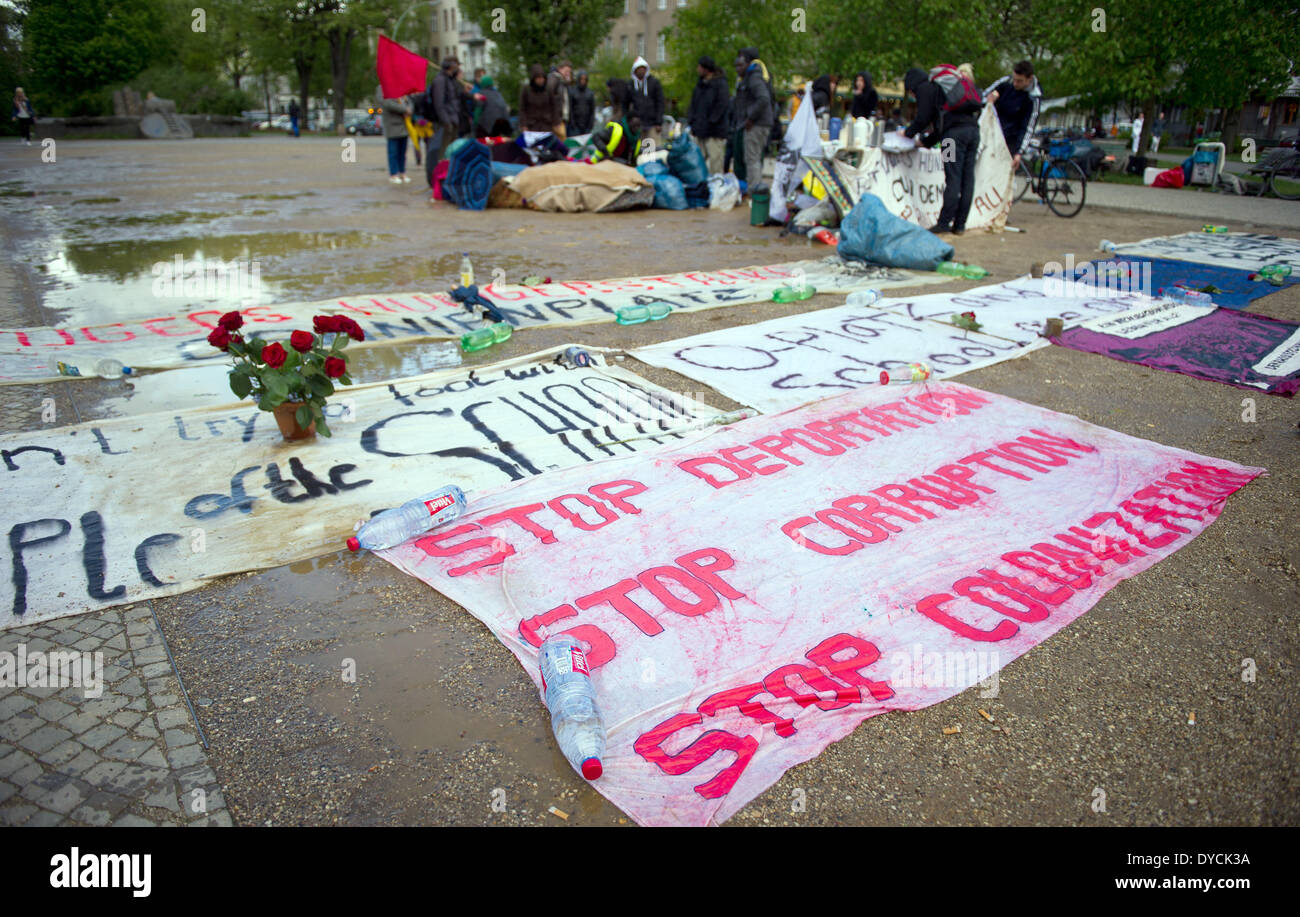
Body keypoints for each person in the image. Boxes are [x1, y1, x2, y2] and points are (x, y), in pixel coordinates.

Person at [902, 66, 981, 234]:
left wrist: (907, 134)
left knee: (952, 177)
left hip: (952, 139)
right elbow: (940, 125)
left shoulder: (925, 89)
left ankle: (944, 223)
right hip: (973, 133)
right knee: (968, 178)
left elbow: (924, 118)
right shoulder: (943, 91)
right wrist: (927, 142)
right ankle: (960, 224)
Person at [984, 60, 1042, 171]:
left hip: (1011, 141)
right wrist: (989, 100)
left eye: (1020, 81)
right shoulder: (1006, 81)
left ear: (1029, 79)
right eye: (1014, 79)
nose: (1015, 83)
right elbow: (983, 96)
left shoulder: (1033, 98)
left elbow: (1028, 127)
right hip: (992, 134)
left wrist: (1019, 152)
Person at [735, 48, 774, 191]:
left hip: (756, 124)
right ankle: (755, 189)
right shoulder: (757, 75)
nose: (737, 68)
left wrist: (750, 118)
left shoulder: (754, 77)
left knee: (752, 159)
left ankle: (755, 191)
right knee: (754, 158)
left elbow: (763, 99)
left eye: (740, 64)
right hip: (761, 123)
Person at [423, 57, 463, 186]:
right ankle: (436, 180)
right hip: (444, 123)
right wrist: (446, 121)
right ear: (451, 66)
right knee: (439, 152)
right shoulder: (440, 80)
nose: (459, 67)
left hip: (452, 121)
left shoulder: (450, 80)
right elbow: (439, 104)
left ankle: (445, 178)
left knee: (448, 153)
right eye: (457, 64)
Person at [687, 56, 730, 174]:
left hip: (715, 132)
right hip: (700, 131)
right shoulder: (699, 85)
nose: (697, 69)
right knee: (698, 163)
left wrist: (712, 121)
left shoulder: (720, 85)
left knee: (716, 163)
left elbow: (722, 105)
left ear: (706, 69)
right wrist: (692, 121)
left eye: (700, 67)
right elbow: (693, 105)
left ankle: (717, 186)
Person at [379, 90, 412, 184]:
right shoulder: (382, 88)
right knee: (393, 152)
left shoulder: (400, 87)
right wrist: (404, 109)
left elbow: (409, 102)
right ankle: (393, 174)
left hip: (404, 126)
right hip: (392, 126)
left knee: (403, 152)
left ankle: (402, 172)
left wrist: (409, 109)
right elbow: (388, 104)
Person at [629, 57, 665, 142]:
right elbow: (626, 103)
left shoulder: (654, 83)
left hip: (652, 123)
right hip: (637, 125)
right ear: (635, 70)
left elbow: (660, 102)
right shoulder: (631, 85)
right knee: (639, 150)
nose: (642, 71)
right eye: (639, 69)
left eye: (643, 68)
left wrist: (659, 122)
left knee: (652, 150)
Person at [520, 63, 563, 134]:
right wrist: (523, 125)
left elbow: (554, 106)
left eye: (542, 77)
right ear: (534, 78)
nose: (541, 80)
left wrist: (556, 122)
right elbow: (522, 109)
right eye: (538, 78)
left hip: (547, 125)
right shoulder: (526, 90)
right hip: (532, 126)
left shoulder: (548, 89)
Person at [568, 70, 596, 136]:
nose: (583, 81)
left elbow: (592, 110)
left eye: (584, 79)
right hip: (575, 126)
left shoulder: (590, 93)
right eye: (581, 79)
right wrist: (572, 123)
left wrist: (591, 124)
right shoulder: (572, 92)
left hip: (587, 125)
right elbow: (570, 109)